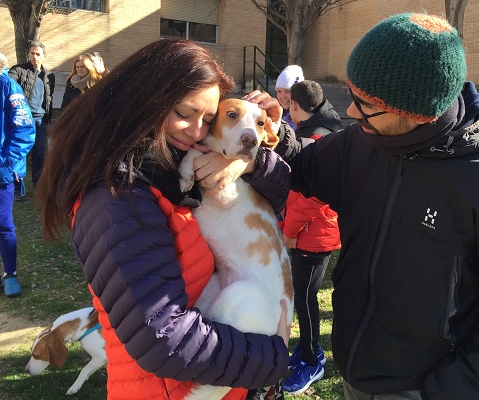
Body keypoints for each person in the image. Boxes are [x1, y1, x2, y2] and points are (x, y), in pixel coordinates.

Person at [270, 13, 479, 399]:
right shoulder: (364, 140)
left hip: (423, 388)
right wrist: (272, 134)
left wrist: (442, 393)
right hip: (356, 374)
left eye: (366, 102)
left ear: (416, 112)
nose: (351, 112)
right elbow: (304, 165)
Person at [36, 38, 291, 400]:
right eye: (185, 113)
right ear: (145, 100)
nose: (197, 130)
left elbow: (281, 189)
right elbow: (162, 338)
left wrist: (245, 160)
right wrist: (271, 358)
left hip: (210, 376)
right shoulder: (115, 196)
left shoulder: (168, 164)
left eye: (207, 118)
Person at [280, 80, 342, 395]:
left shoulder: (317, 138)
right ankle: (305, 349)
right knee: (302, 297)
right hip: (311, 232)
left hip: (313, 236)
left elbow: (312, 198)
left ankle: (312, 360)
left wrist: (290, 231)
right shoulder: (319, 130)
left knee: (305, 300)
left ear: (294, 106)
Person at [0, 52, 35, 297]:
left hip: (2, 172)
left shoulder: (8, 86)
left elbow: (24, 130)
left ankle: (10, 274)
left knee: (3, 225)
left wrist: (6, 163)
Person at [9, 40, 54, 189]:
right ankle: (16, 187)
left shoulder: (49, 76)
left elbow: (49, 100)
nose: (35, 57)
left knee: (39, 154)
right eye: (32, 53)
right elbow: (9, 83)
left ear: (44, 56)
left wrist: (48, 121)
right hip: (22, 119)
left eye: (38, 54)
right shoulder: (19, 70)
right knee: (19, 153)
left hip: (40, 120)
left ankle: (38, 185)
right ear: (28, 54)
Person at [275, 65, 304, 130]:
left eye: (287, 91)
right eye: (279, 91)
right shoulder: (276, 113)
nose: (282, 96)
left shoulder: (304, 118)